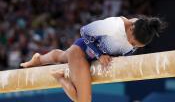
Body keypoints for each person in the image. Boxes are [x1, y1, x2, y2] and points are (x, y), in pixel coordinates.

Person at [20, 16, 165, 102]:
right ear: (131, 28)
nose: (132, 46)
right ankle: (60, 78)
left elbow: (125, 50)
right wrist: (100, 55)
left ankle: (38, 58)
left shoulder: (142, 29)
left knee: (61, 56)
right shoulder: (114, 26)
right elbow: (84, 31)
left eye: (136, 46)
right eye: (133, 43)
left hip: (93, 57)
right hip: (81, 52)